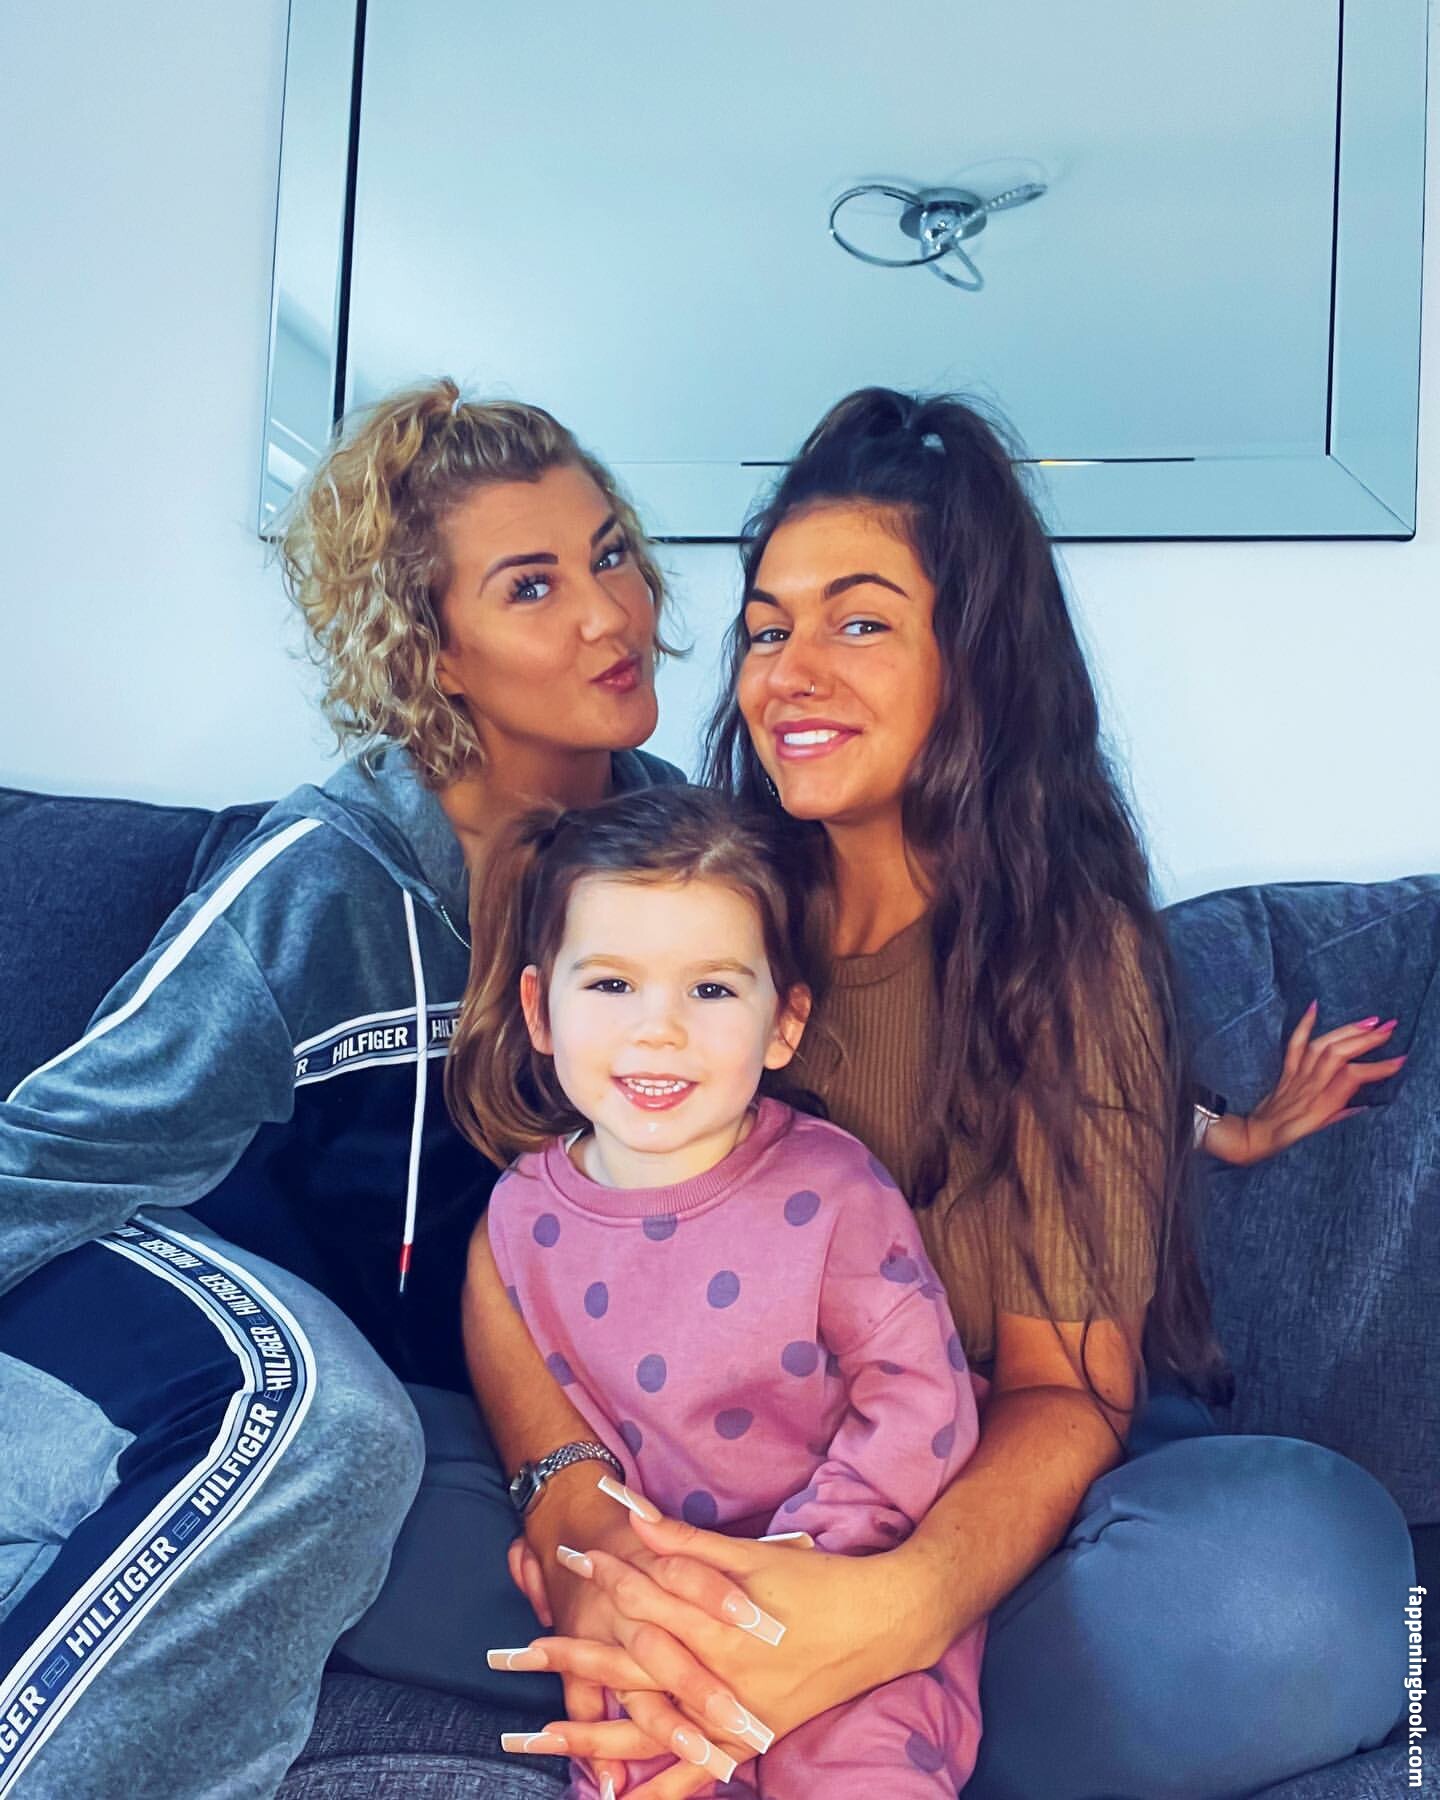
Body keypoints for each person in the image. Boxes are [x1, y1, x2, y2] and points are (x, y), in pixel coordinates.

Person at [466, 388, 1415, 1800]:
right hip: (688, 1493)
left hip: (976, 1517)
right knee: (363, 1484)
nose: (791, 673)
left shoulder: (1065, 959)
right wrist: (579, 1525)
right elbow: (528, 1233)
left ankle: (779, 1703)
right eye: (767, 630)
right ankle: (693, 1677)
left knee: (1296, 1582)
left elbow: (1066, 1393)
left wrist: (876, 1619)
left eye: (859, 624)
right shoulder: (707, 905)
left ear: (974, 661)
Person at [0, 380, 686, 1798]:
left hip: (416, 1378)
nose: (609, 614)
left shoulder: (685, 859)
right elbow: (58, 1151)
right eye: (533, 586)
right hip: (159, 1281)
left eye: (611, 552)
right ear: (433, 650)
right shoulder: (321, 884)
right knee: (326, 1421)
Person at [453, 783, 987, 1797]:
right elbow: (564, 1460)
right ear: (539, 1010)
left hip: (841, 1608)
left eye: (710, 990)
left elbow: (922, 1406)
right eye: (612, 984)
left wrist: (787, 1582)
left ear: (784, 1024)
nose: (658, 1030)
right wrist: (609, 1579)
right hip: (657, 1624)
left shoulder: (833, 1189)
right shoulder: (520, 1220)